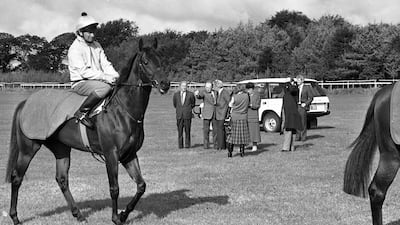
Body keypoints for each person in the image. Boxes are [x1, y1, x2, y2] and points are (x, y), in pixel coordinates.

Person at [68, 12, 119, 129]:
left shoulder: (97, 45)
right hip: (81, 82)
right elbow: (84, 72)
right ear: (80, 32)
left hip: (98, 80)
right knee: (105, 88)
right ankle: (82, 112)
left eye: (93, 32)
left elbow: (105, 63)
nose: (92, 35)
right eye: (89, 32)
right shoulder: (75, 49)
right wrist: (106, 77)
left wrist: (115, 76)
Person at [227, 84, 250, 157]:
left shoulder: (234, 96)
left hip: (235, 117)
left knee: (232, 136)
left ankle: (230, 153)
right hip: (243, 117)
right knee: (242, 136)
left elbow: (230, 105)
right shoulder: (247, 96)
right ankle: (242, 152)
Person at [281, 79, 303, 152]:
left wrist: (290, 83)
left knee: (288, 129)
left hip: (289, 112)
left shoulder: (290, 92)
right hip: (293, 111)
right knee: (292, 130)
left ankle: (286, 147)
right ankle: (291, 147)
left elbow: (289, 89)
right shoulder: (295, 90)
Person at [173, 81, 196, 148]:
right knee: (180, 131)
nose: (184, 87)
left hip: (187, 115)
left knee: (187, 130)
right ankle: (180, 145)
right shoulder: (176, 95)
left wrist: (188, 110)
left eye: (185, 86)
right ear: (180, 86)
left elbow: (193, 103)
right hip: (179, 115)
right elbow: (175, 104)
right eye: (183, 86)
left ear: (187, 86)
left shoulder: (191, 94)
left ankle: (187, 145)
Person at [194, 81, 217, 149]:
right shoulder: (203, 92)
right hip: (206, 114)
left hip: (215, 113)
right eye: (207, 87)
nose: (208, 89)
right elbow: (199, 96)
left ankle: (216, 145)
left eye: (209, 87)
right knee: (206, 130)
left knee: (215, 130)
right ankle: (206, 145)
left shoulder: (215, 92)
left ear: (212, 87)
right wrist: (196, 94)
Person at [213, 80, 231, 150]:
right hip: (218, 114)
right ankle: (222, 145)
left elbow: (228, 102)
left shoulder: (224, 92)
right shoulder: (218, 93)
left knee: (220, 130)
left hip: (222, 113)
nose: (213, 87)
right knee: (220, 130)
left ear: (217, 86)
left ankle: (221, 146)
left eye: (214, 86)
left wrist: (226, 113)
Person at [295, 75, 314, 141]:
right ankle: (297, 136)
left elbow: (311, 98)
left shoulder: (307, 87)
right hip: (297, 106)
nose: (297, 81)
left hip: (303, 107)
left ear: (302, 80)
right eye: (296, 80)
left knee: (303, 122)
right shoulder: (296, 88)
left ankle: (303, 137)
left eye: (298, 80)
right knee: (297, 122)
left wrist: (305, 104)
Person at [246, 82, 261, 151]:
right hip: (246, 115)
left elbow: (258, 105)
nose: (248, 91)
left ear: (252, 89)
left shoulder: (257, 95)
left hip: (253, 115)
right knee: (247, 131)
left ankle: (255, 145)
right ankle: (247, 144)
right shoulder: (246, 95)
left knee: (254, 131)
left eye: (249, 89)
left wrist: (252, 105)